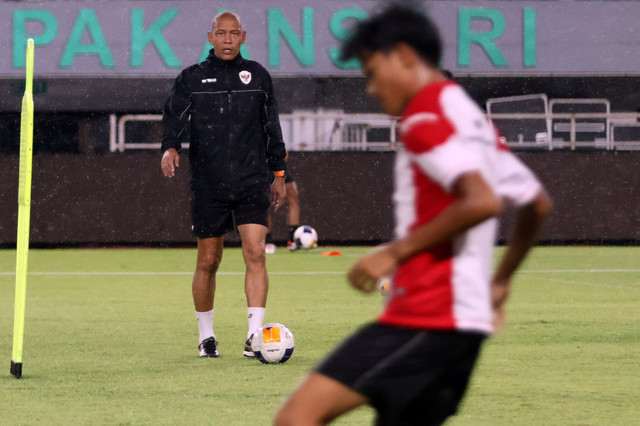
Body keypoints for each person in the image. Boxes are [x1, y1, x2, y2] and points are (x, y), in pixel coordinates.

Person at [274, 4, 553, 425]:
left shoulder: (424, 116)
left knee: (297, 418)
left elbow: (481, 201)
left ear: (404, 55)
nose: (369, 88)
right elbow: (537, 204)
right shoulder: (471, 118)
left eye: (371, 72)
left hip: (429, 317)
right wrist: (500, 281)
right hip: (461, 326)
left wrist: (394, 252)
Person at [160, 11, 287, 359]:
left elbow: (271, 127)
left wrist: (280, 175)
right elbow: (174, 115)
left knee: (256, 252)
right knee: (208, 260)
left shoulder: (258, 76)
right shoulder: (192, 78)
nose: (228, 39)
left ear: (242, 36)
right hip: (209, 183)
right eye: (221, 33)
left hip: (251, 179)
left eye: (234, 34)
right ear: (210, 37)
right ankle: (206, 337)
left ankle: (254, 336)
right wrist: (169, 147)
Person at [265, 153, 301, 253]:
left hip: (278, 167)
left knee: (293, 198)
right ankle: (267, 242)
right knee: (264, 203)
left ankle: (292, 240)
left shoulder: (275, 140)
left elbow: (284, 153)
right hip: (262, 166)